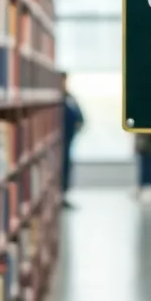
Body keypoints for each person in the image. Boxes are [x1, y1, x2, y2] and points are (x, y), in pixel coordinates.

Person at [61, 73, 84, 208]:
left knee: (67, 166)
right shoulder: (59, 98)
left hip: (69, 138)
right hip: (61, 140)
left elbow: (79, 115)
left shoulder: (70, 97)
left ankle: (64, 193)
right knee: (62, 166)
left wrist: (80, 123)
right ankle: (60, 195)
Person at [133, 133, 151, 205]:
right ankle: (143, 187)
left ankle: (148, 188)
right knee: (144, 163)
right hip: (145, 142)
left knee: (148, 163)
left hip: (150, 143)